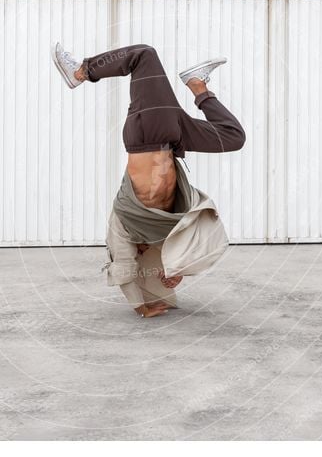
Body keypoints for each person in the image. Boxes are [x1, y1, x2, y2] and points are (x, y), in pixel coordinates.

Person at [51, 43, 246, 318]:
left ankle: (80, 72)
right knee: (233, 136)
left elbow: (122, 264)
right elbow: (186, 247)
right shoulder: (164, 234)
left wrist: (140, 306)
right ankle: (198, 86)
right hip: (170, 138)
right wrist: (178, 271)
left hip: (146, 134)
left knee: (144, 55)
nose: (146, 254)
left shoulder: (124, 221)